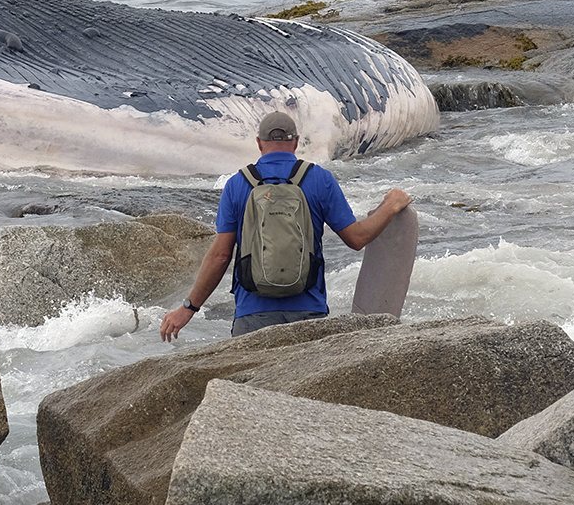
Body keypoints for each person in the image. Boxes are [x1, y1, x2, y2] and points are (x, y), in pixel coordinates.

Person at [160, 111, 412, 340]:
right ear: (296, 142)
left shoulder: (237, 184)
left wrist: (188, 308)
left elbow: (221, 255)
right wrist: (390, 205)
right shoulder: (319, 179)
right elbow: (356, 238)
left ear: (259, 143)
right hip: (308, 311)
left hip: (252, 314)